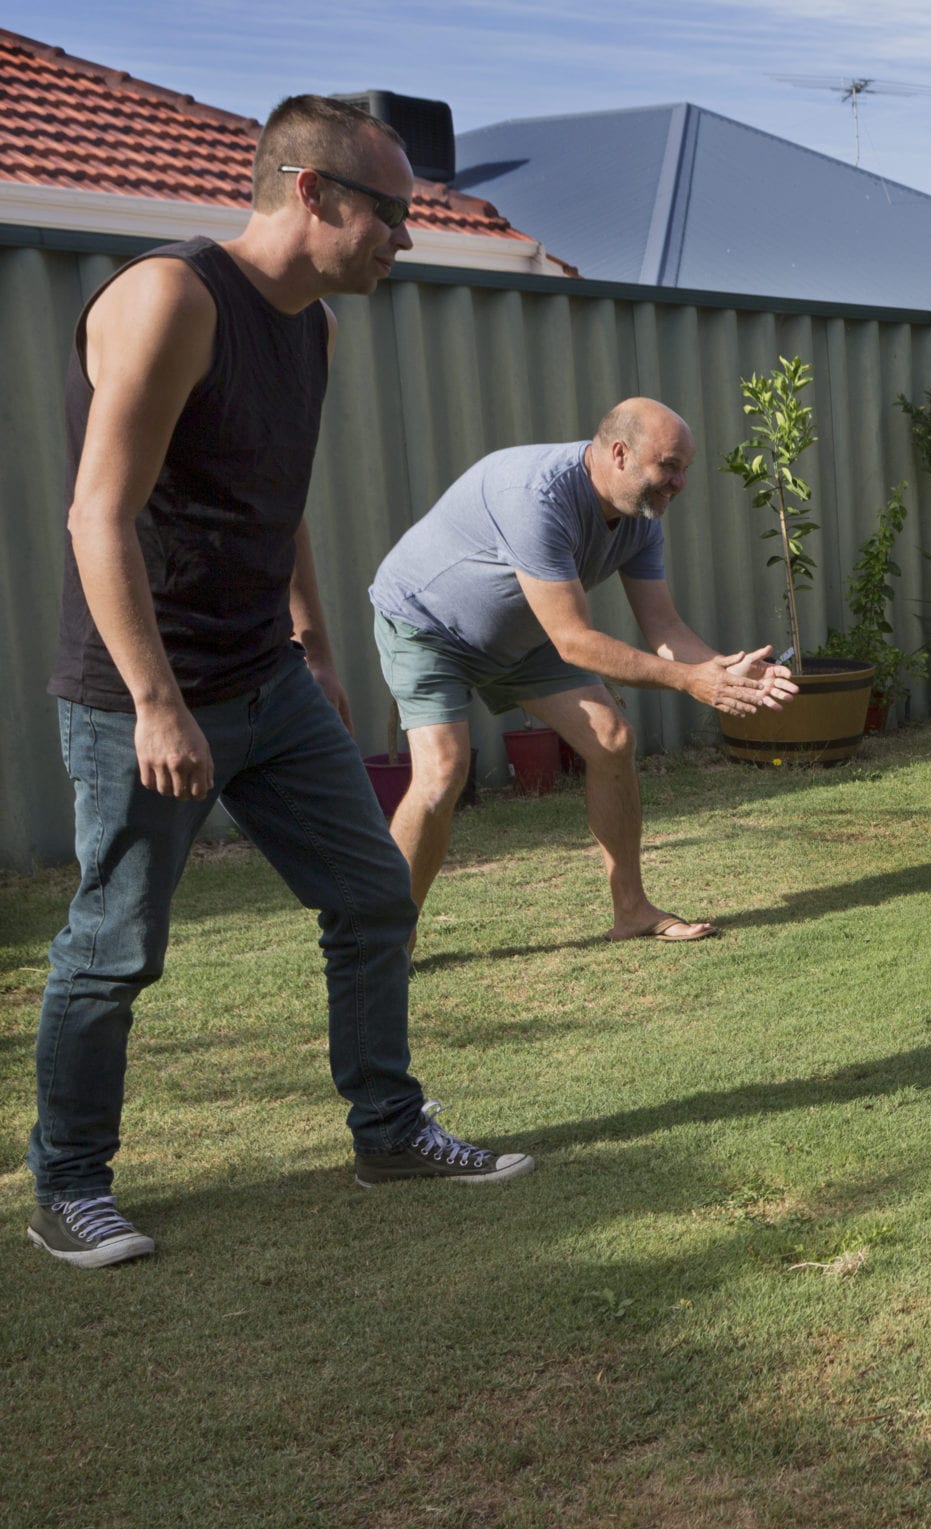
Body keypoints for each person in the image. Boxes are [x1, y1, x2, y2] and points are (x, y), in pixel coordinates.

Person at [28, 97, 532, 1270]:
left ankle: (390, 1131)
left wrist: (310, 638)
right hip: (139, 690)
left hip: (267, 676)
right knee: (113, 948)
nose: (402, 240)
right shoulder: (171, 298)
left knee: (370, 896)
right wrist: (156, 702)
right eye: (391, 216)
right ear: (311, 191)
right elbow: (95, 515)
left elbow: (275, 489)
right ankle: (68, 1187)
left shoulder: (310, 326)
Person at [369, 401, 796, 944]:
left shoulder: (641, 519)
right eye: (669, 465)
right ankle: (386, 941)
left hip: (526, 632)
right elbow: (574, 641)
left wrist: (722, 670)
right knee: (443, 774)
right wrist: (690, 682)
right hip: (428, 624)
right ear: (619, 453)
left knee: (612, 740)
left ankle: (633, 910)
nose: (680, 482)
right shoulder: (535, 497)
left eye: (685, 468)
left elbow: (663, 627)